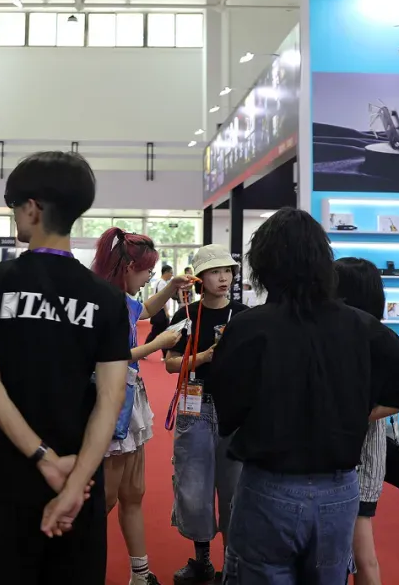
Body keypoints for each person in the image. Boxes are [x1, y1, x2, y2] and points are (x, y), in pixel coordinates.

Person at [206, 208, 399, 585]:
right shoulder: (359, 324)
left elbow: (228, 412)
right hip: (338, 490)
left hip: (269, 486)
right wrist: (359, 412)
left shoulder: (249, 327)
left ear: (263, 264)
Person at [0, 151, 131, 584]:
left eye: (15, 205)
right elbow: (111, 398)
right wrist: (74, 483)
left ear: (32, 208)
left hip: (3, 473)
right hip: (78, 476)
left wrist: (44, 459)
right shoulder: (107, 298)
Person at [91, 229, 192, 585]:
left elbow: (145, 310)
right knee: (104, 499)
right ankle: (75, 567)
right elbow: (109, 357)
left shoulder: (120, 298)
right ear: (128, 267)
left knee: (133, 493)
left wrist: (171, 286)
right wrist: (157, 344)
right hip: (111, 403)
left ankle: (140, 573)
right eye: (147, 270)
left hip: (130, 400)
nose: (150, 276)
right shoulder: (102, 302)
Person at [164, 244, 249, 585]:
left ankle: (232, 565)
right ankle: (203, 562)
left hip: (234, 409)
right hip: (194, 407)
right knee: (194, 489)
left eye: (228, 271)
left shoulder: (244, 316)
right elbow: (171, 364)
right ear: (200, 278)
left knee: (235, 491)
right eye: (215, 271)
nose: (223, 277)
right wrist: (204, 357)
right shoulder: (186, 314)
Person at [334, 257, 389, 585]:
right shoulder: (346, 334)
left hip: (360, 459)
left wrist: (352, 413)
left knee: (361, 552)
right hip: (342, 456)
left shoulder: (372, 340)